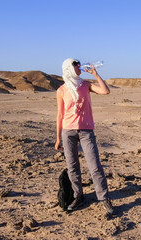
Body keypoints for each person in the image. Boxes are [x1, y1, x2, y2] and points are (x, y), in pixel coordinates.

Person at [55, 58, 113, 214]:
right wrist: (58, 138)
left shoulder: (85, 85)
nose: (78, 65)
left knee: (95, 166)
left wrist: (95, 74)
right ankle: (77, 196)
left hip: (86, 131)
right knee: (72, 167)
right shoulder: (61, 90)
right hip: (68, 132)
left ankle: (104, 198)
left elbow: (105, 91)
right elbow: (60, 115)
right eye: (75, 64)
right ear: (68, 68)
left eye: (78, 63)